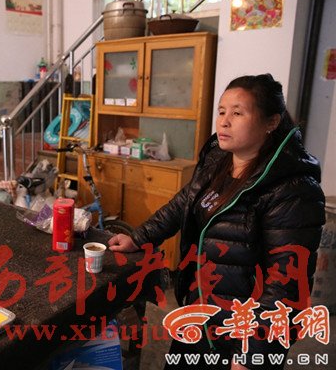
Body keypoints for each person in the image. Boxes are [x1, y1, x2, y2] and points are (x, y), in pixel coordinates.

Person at [108, 74, 325, 370]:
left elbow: (287, 285)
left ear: (271, 122)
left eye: (237, 113)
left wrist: (251, 356)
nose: (224, 122)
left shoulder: (293, 189)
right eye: (221, 111)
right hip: (199, 314)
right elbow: (183, 204)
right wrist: (139, 237)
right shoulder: (218, 162)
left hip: (243, 332)